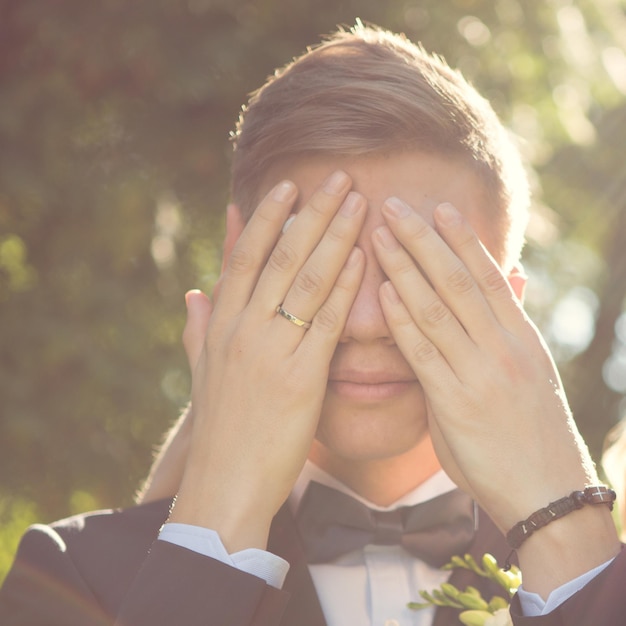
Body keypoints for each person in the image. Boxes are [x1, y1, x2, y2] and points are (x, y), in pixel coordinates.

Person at [0, 23, 623, 626]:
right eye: (323, 266)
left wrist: (567, 533)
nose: (366, 323)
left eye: (417, 270)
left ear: (510, 307)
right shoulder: (70, 574)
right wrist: (216, 522)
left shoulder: (606, 575)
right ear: (238, 279)